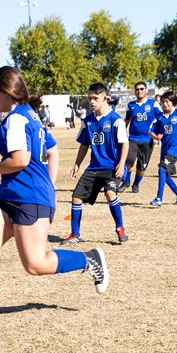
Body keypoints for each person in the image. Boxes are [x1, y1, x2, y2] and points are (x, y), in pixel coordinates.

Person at [0, 67, 109, 327]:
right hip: (9, 195)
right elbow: (53, 152)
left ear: (6, 91)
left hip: (29, 198)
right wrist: (49, 184)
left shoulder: (18, 119)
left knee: (35, 264)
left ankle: (89, 259)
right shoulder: (29, 116)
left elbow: (20, 160)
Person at [62, 82, 129, 245]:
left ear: (105, 98)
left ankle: (120, 228)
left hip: (113, 167)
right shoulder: (88, 121)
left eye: (95, 98)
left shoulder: (115, 120)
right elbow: (84, 144)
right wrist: (77, 164)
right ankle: (75, 234)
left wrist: (121, 164)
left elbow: (124, 143)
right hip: (94, 167)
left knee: (110, 194)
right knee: (76, 197)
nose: (91, 101)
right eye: (89, 98)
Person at [148, 91, 177, 207]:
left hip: (175, 149)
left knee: (162, 169)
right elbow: (150, 131)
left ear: (173, 102)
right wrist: (156, 136)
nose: (165, 104)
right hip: (164, 150)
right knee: (164, 174)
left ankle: (159, 198)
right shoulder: (159, 118)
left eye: (167, 101)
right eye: (163, 102)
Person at [122, 81, 163, 194]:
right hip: (133, 138)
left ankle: (136, 184)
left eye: (141, 89)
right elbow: (127, 120)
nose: (139, 91)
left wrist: (158, 135)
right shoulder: (131, 105)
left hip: (148, 140)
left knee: (142, 167)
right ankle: (126, 182)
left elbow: (162, 119)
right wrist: (121, 134)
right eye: (137, 89)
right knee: (129, 161)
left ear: (146, 90)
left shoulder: (153, 104)